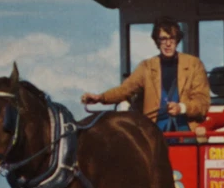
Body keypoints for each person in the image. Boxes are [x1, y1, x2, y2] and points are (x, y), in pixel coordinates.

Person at [81, 17, 211, 133]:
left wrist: (181, 108)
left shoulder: (194, 64)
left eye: (172, 38)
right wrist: (101, 98)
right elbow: (125, 90)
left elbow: (202, 103)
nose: (168, 43)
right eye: (163, 39)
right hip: (154, 132)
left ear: (177, 40)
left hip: (186, 130)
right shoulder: (147, 67)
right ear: (156, 42)